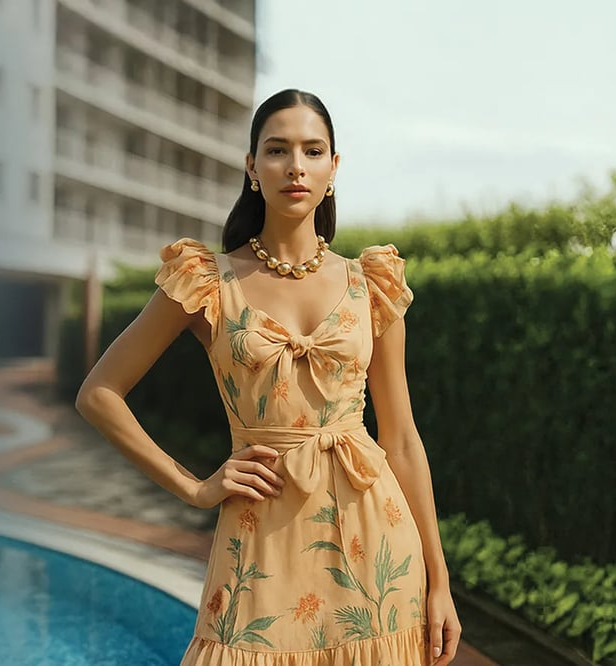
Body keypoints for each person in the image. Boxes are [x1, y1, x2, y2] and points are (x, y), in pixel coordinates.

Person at [75, 88, 461, 665]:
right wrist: (194, 488)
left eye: (313, 151)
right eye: (278, 150)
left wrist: (439, 581)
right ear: (252, 167)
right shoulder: (207, 280)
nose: (296, 166)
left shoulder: (370, 284)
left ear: (334, 167)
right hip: (261, 545)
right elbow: (98, 395)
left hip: (377, 549)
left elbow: (401, 439)